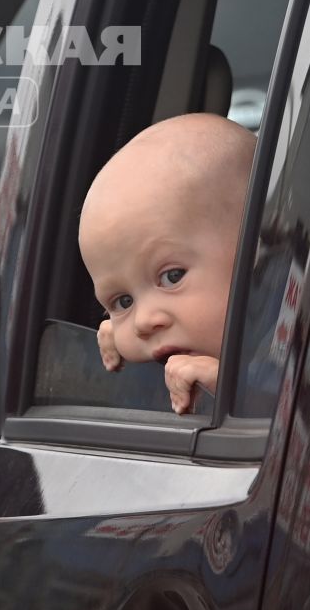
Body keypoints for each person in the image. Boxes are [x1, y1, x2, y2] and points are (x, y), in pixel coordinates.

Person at [81, 113, 256, 414]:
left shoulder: (302, 334)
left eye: (172, 276)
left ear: (256, 250)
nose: (143, 321)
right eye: (123, 302)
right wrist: (127, 369)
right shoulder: (161, 347)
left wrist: (240, 400)